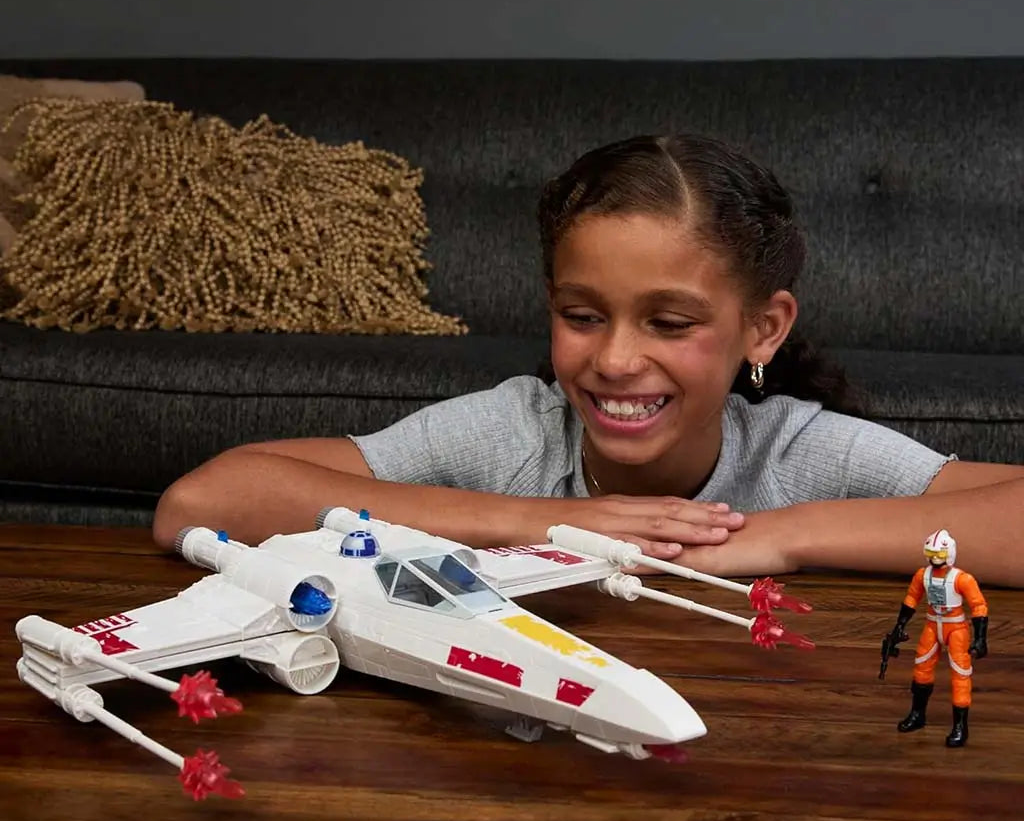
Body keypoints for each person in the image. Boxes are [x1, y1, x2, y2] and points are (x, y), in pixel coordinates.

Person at [152, 134, 1024, 587]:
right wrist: (536, 523)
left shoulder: (799, 453)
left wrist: (782, 538)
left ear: (764, 330)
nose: (614, 359)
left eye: (670, 322)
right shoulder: (514, 432)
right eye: (581, 315)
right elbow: (199, 501)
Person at [882, 529, 989, 747]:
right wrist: (899, 626)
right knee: (921, 669)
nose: (934, 558)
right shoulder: (923, 575)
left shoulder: (962, 578)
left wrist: (980, 638)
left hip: (956, 628)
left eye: (939, 554)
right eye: (930, 553)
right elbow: (911, 598)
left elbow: (979, 606)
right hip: (932, 624)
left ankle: (960, 726)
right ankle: (917, 714)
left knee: (960, 675)